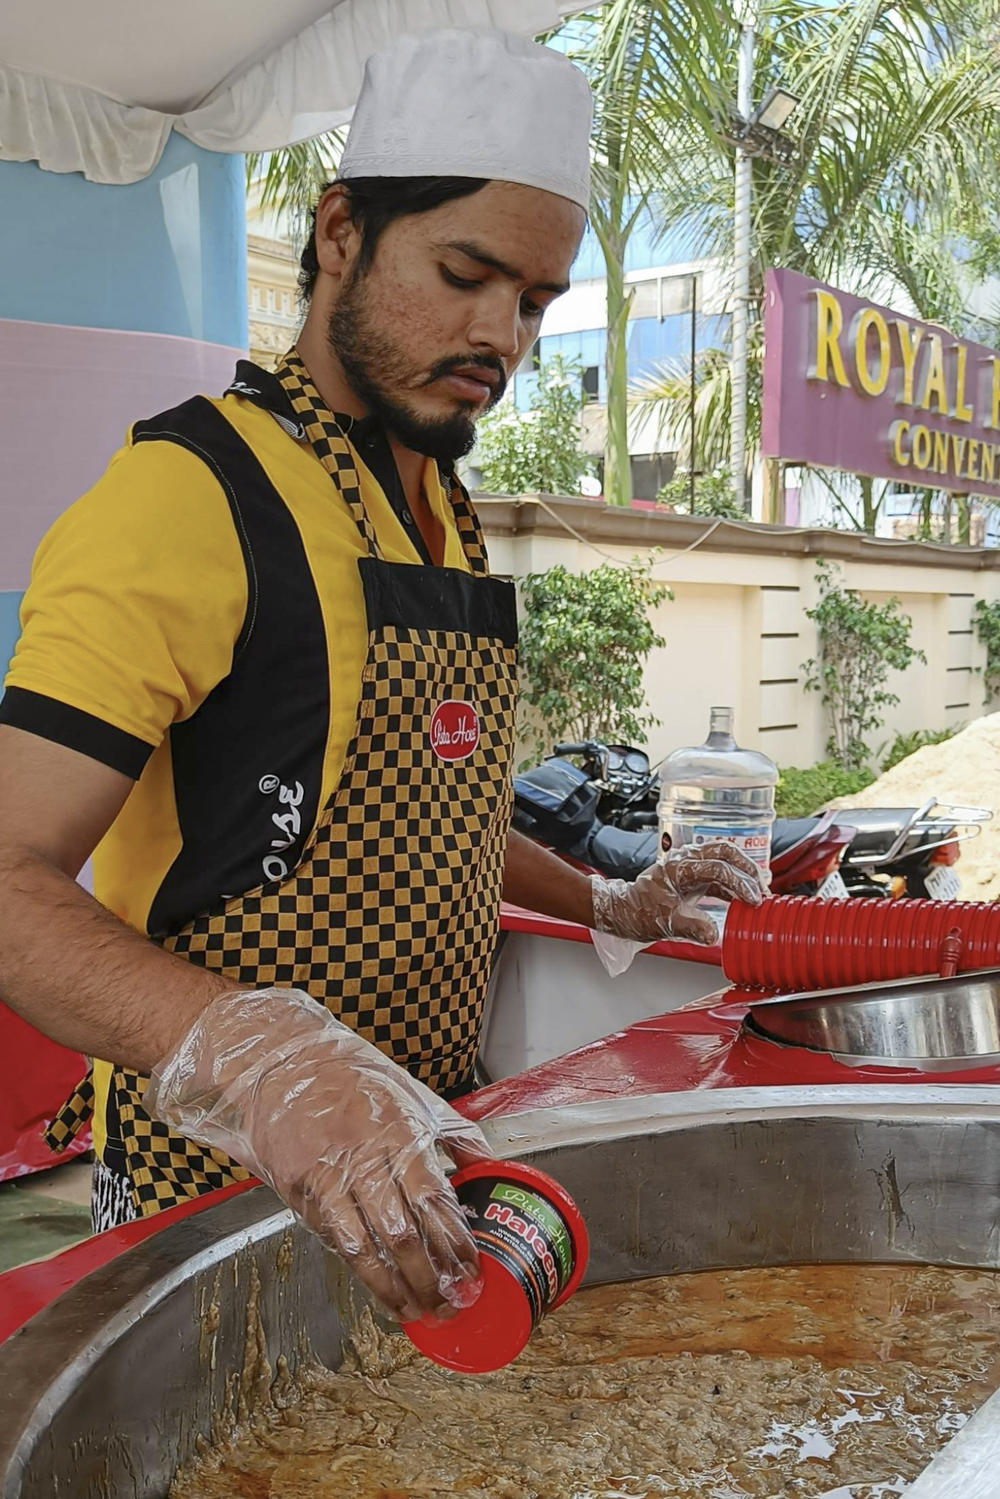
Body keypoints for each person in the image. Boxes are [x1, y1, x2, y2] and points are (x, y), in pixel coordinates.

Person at [0, 30, 765, 1324]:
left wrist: (611, 900)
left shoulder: (440, 509)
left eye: (533, 303)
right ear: (341, 230)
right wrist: (261, 1060)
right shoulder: (185, 500)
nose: (499, 336)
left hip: (431, 1174)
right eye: (464, 274)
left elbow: (429, 820)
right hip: (217, 1193)